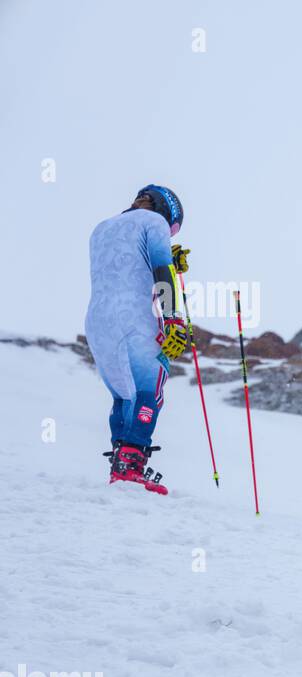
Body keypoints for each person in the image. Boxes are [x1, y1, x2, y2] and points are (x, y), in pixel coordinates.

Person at [84, 185, 188, 495]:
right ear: (166, 211)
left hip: (97, 321)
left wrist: (167, 255)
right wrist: (173, 318)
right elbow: (161, 269)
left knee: (123, 395)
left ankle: (119, 461)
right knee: (150, 385)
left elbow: (127, 264)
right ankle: (131, 467)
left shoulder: (100, 228)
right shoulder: (153, 222)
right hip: (132, 316)